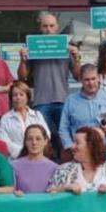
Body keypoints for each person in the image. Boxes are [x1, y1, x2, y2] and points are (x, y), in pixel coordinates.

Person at [16, 12, 81, 152]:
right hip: (41, 101)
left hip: (62, 100)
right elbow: (23, 77)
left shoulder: (66, 47)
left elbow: (78, 76)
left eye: (51, 26)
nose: (48, 29)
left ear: (57, 27)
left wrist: (77, 58)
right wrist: (22, 60)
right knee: (43, 139)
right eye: (45, 26)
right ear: (40, 28)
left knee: (64, 139)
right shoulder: (34, 47)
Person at [59, 64, 106, 155]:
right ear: (81, 80)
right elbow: (63, 128)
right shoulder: (71, 100)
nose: (91, 83)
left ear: (99, 78)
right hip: (80, 153)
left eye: (93, 79)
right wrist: (69, 146)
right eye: (87, 80)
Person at [0, 82, 48, 159]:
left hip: (37, 157)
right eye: (15, 95)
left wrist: (34, 150)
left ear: (27, 97)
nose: (18, 98)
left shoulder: (37, 115)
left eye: (21, 94)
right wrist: (24, 152)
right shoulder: (5, 118)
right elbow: (4, 141)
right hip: (15, 159)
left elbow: (46, 134)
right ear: (11, 98)